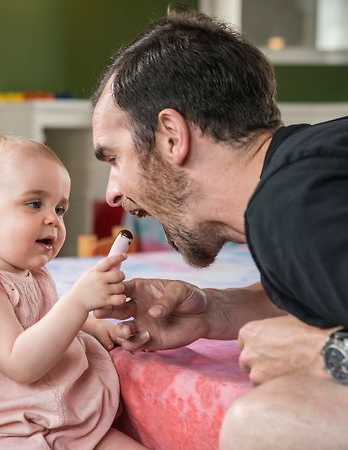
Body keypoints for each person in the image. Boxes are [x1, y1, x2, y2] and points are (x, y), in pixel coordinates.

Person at [90, 9, 348, 450]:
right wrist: (217, 310)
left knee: (264, 421)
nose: (113, 193)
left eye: (114, 158)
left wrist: (326, 354)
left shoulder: (294, 205)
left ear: (171, 136)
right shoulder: (303, 181)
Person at [0, 134, 147, 449]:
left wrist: (94, 325)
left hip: (64, 426)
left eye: (60, 209)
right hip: (0, 436)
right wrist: (78, 302)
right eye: (34, 204)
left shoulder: (30, 273)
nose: (52, 220)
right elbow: (21, 361)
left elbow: (39, 317)